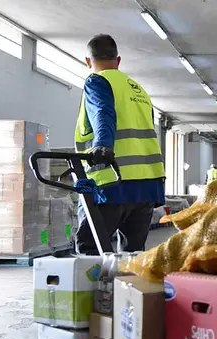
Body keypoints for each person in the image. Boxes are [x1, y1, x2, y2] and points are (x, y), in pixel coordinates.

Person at [74, 34, 165, 255]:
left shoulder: (97, 81)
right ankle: (129, 289)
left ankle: (93, 291)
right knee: (133, 254)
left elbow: (103, 114)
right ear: (119, 60)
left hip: (112, 181)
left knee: (90, 249)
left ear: (88, 61)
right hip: (147, 186)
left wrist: (103, 147)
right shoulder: (138, 89)